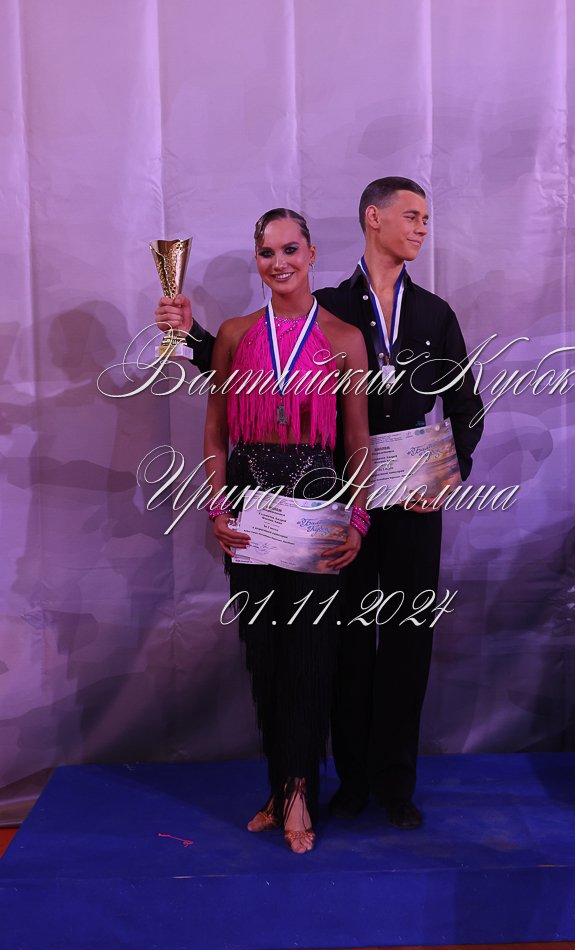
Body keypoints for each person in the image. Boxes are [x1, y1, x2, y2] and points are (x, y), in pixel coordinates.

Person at [157, 178, 483, 831]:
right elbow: (251, 367)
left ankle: (396, 784)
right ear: (374, 219)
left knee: (408, 639)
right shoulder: (325, 303)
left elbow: (466, 403)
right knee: (346, 644)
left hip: (412, 496)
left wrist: (451, 476)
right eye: (412, 215)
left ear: (305, 251)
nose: (422, 228)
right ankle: (351, 781)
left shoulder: (434, 312)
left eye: (425, 218)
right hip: (336, 497)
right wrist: (189, 334)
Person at [156, 209, 371, 853]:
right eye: (267, 252)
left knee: (311, 657)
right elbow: (214, 432)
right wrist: (217, 508)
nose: (279, 262)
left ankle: (300, 792)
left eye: (290, 249)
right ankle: (280, 787)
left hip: (316, 515)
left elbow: (358, 440)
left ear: (312, 254)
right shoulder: (233, 333)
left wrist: (358, 518)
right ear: (257, 260)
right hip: (250, 517)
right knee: (265, 657)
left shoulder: (343, 338)